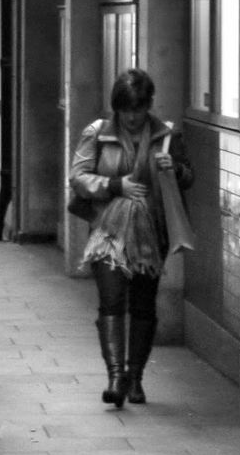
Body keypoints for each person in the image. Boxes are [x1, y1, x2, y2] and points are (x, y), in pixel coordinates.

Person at [69, 68, 194, 409]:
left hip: (151, 233)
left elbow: (188, 177)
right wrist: (114, 185)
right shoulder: (98, 133)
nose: (133, 117)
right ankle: (116, 377)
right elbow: (78, 177)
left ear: (148, 105)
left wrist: (175, 169)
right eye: (126, 110)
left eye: (139, 109)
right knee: (111, 300)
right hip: (107, 231)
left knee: (142, 303)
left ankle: (136, 377)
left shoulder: (166, 135)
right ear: (117, 109)